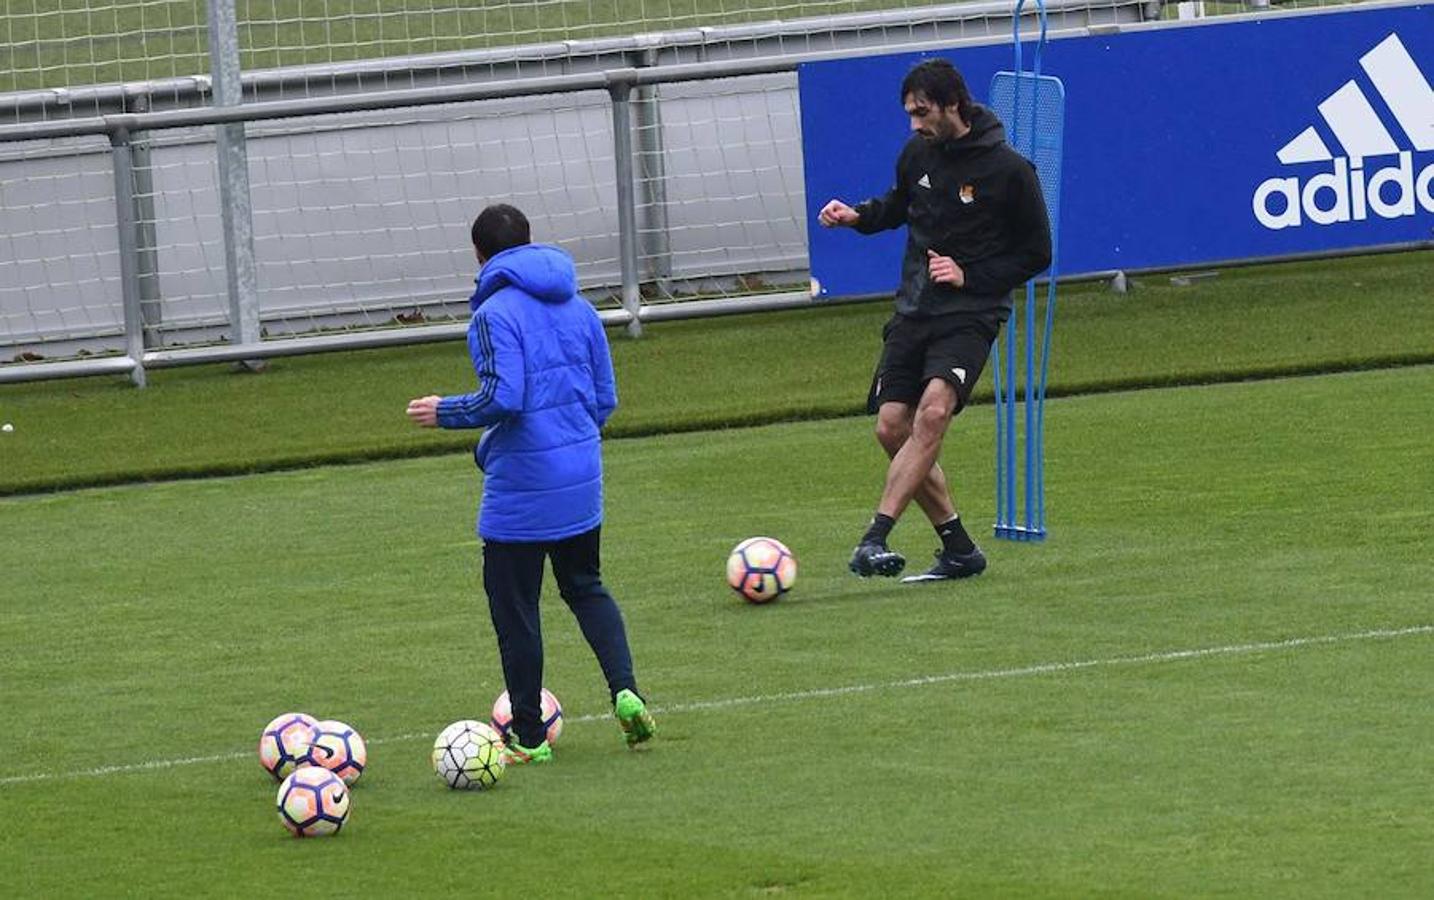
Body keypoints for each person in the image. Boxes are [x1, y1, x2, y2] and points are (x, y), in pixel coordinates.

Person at [405, 203, 656, 762]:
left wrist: (445, 411)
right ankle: (627, 694)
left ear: (479, 254)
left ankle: (529, 736)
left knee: (515, 608)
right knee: (586, 587)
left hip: (522, 488)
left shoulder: (493, 315)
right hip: (582, 479)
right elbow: (605, 399)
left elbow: (504, 397)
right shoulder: (581, 306)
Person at [817, 57, 1052, 583]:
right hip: (914, 309)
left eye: (922, 112)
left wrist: (971, 275)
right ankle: (960, 548)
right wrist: (858, 217)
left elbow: (1038, 253)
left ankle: (875, 536)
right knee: (890, 427)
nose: (914, 123)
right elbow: (901, 206)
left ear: (953, 105)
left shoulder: (1010, 170)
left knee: (933, 414)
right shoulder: (915, 154)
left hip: (971, 314)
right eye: (909, 114)